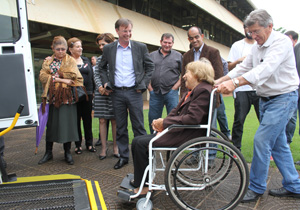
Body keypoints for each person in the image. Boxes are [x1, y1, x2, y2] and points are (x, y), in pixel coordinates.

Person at [215, 9, 300, 202]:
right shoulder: (257, 46)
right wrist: (221, 79)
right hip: (267, 99)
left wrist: (235, 84)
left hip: (283, 98)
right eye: (250, 32)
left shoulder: (282, 42)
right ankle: (294, 186)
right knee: (279, 146)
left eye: (256, 31)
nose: (252, 36)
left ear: (269, 26)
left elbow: (264, 70)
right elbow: (245, 67)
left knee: (261, 140)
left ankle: (256, 187)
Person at [121, 58, 214, 196]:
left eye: (187, 72)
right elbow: (176, 111)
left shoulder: (202, 91)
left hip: (187, 134)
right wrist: (162, 121)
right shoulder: (193, 90)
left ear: (197, 74)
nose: (184, 76)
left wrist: (165, 123)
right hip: (180, 130)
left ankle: (144, 186)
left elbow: (193, 118)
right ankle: (142, 181)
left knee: (140, 143)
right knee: (138, 140)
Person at [99, 18, 154, 169]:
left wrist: (143, 83)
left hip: (134, 93)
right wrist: (105, 83)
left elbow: (150, 67)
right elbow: (101, 68)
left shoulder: (140, 47)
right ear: (117, 31)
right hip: (116, 93)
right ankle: (124, 157)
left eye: (130, 30)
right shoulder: (109, 49)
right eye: (125, 31)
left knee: (139, 127)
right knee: (121, 127)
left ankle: (142, 157)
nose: (128, 34)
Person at [181, 26, 223, 165]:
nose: (194, 40)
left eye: (196, 37)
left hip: (208, 97)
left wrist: (208, 90)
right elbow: (184, 78)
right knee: (195, 127)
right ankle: (196, 155)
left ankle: (210, 157)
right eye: (191, 38)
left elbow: (218, 74)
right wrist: (183, 97)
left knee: (210, 127)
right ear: (188, 39)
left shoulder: (213, 52)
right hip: (192, 98)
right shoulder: (186, 56)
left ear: (202, 36)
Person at [39, 36, 83, 165]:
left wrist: (56, 77)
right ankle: (48, 152)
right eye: (57, 49)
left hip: (67, 98)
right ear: (52, 48)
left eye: (63, 49)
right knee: (51, 125)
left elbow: (75, 77)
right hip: (52, 98)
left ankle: (67, 153)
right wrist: (61, 79)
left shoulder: (70, 61)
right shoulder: (48, 61)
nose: (60, 52)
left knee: (68, 125)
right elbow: (42, 76)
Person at [227, 24, 260, 151]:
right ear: (244, 29)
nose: (249, 31)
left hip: (258, 88)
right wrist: (238, 61)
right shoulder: (237, 45)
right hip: (241, 88)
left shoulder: (259, 44)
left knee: (264, 121)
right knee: (239, 119)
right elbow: (229, 67)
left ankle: (270, 149)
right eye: (247, 28)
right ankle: (236, 149)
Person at [148, 33, 182, 134]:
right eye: (165, 42)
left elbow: (184, 74)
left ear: (173, 43)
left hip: (171, 93)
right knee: (153, 118)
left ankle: (172, 141)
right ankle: (153, 141)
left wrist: (175, 88)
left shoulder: (178, 56)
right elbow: (145, 73)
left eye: (169, 43)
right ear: (161, 42)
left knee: (174, 119)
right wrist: (150, 89)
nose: (167, 45)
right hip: (155, 93)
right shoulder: (151, 56)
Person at [67, 37, 96, 154]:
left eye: (81, 46)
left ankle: (89, 144)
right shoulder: (67, 61)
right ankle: (78, 144)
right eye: (77, 46)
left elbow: (91, 76)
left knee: (87, 120)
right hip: (73, 95)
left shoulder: (86, 60)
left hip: (87, 94)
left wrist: (93, 91)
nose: (80, 48)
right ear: (70, 49)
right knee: (76, 120)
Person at [94, 33, 118, 159]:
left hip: (115, 93)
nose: (101, 47)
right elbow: (96, 74)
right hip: (101, 93)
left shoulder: (118, 57)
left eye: (104, 44)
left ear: (111, 43)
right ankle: (103, 148)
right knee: (102, 120)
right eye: (100, 45)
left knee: (115, 120)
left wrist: (111, 88)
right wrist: (100, 88)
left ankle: (115, 147)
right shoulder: (99, 59)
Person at [284, 30, 299, 145]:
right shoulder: (285, 52)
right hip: (291, 90)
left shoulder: (297, 49)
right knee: (289, 118)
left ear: (295, 40)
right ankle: (286, 143)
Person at [216, 57, 231, 139]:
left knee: (220, 113)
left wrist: (223, 79)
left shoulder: (211, 53)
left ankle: (226, 133)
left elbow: (224, 63)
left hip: (215, 91)